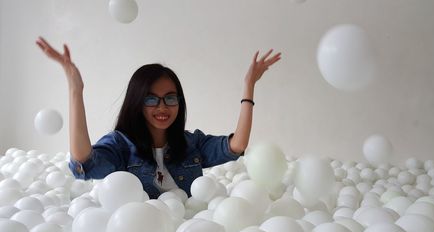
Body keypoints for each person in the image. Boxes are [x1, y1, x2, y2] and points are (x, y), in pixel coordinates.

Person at [36, 37, 281, 199]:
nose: (162, 107)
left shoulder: (190, 143)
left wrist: (249, 86)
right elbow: (84, 163)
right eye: (151, 99)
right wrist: (75, 90)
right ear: (137, 103)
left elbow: (236, 145)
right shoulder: (122, 146)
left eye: (170, 98)